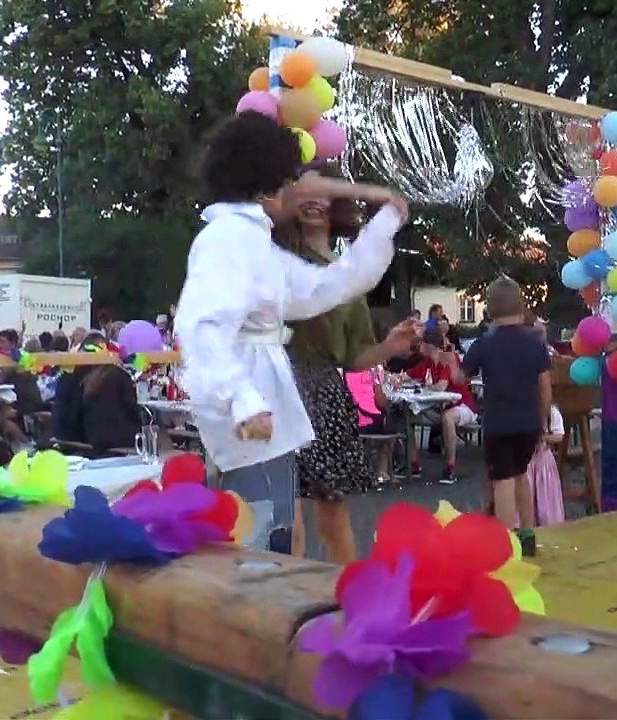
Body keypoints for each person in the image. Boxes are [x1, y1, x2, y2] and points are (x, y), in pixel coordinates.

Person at [174, 110, 407, 556]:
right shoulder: (229, 240)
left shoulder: (251, 241)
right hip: (250, 413)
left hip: (263, 407)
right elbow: (201, 325)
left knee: (269, 536)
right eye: (288, 180)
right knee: (257, 541)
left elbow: (324, 287)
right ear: (270, 182)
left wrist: (384, 224)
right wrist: (242, 401)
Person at [274, 161, 418, 562]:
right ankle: (288, 610)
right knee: (287, 521)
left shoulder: (350, 275)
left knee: (334, 517)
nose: (315, 200)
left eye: (325, 193)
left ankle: (350, 599)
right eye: (307, 191)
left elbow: (354, 358)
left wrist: (389, 345)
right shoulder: (277, 250)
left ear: (336, 205)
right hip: (278, 388)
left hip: (324, 395)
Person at [435, 277, 549, 557]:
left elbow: (462, 377)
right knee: (522, 474)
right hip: (529, 422)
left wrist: (451, 364)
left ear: (490, 309)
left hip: (499, 422)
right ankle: (528, 534)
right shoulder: (535, 343)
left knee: (503, 481)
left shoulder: (484, 345)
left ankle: (505, 541)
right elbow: (545, 385)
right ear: (520, 305)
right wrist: (543, 421)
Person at [409, 326, 479, 484]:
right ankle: (413, 464)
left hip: (464, 405)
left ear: (428, 345)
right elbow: (409, 375)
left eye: (421, 344)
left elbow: (441, 385)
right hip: (440, 406)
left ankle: (450, 467)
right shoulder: (427, 362)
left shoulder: (448, 358)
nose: (418, 348)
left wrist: (422, 388)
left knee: (448, 418)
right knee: (409, 417)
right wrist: (397, 378)